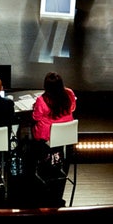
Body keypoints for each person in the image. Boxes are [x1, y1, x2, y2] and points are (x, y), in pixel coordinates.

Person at [30, 71, 77, 206]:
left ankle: (39, 165)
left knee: (33, 130)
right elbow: (73, 107)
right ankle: (55, 160)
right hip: (66, 135)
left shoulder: (41, 100)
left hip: (48, 137)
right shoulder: (69, 95)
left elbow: (35, 117)